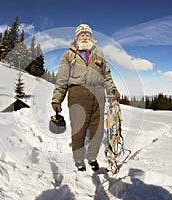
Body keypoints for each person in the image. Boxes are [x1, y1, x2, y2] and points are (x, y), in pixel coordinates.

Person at [51, 24, 120, 171]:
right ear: (76, 37)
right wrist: (57, 99)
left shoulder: (99, 53)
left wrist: (112, 90)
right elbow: (62, 79)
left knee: (98, 130)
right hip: (78, 94)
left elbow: (106, 76)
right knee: (79, 129)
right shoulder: (68, 55)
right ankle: (78, 160)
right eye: (82, 34)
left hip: (98, 94)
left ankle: (92, 157)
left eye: (87, 34)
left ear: (92, 37)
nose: (85, 36)